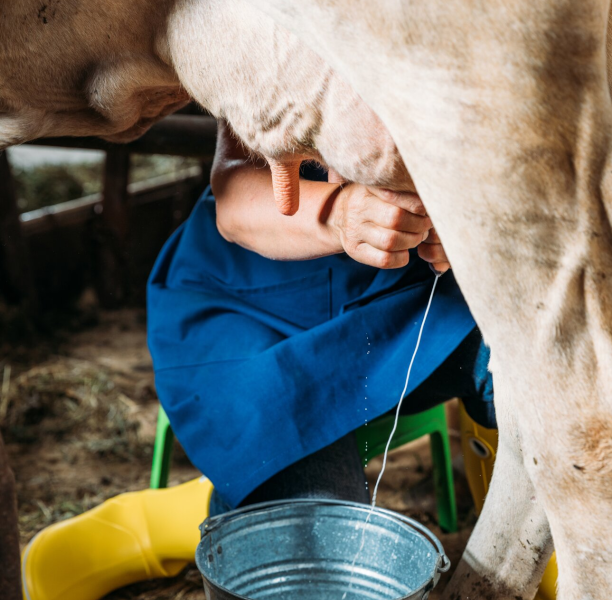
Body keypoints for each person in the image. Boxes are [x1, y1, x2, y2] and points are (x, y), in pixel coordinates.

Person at [147, 124, 495, 515]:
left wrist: (464, 224)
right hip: (253, 302)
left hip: (412, 295)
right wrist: (340, 214)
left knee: (532, 365)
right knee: (315, 542)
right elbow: (234, 188)